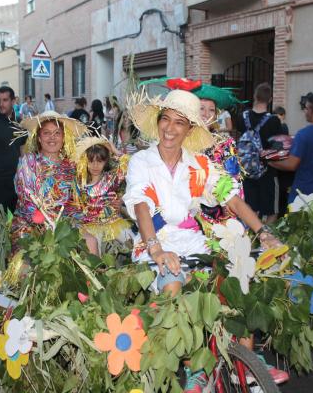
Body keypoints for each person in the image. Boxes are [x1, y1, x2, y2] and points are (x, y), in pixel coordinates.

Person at [123, 89, 287, 391]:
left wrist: (263, 232)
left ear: (190, 130)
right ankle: (194, 369)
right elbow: (140, 204)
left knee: (236, 279)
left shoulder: (199, 164)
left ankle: (248, 361)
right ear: (158, 122)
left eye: (179, 123)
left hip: (192, 241)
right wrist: (156, 249)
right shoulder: (141, 161)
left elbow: (232, 199)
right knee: (173, 286)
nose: (170, 129)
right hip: (153, 242)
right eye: (166, 120)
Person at [11, 111, 87, 245]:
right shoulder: (28, 162)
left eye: (57, 133)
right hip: (31, 226)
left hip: (65, 226)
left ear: (64, 138)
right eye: (46, 133)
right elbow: (27, 200)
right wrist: (50, 226)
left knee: (90, 241)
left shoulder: (71, 167)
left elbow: (76, 203)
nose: (52, 137)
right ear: (39, 138)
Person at [269, 93, 313, 203]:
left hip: (303, 195)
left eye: (307, 108)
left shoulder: (304, 135)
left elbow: (291, 164)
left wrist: (270, 161)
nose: (304, 111)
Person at [72, 137, 131, 256]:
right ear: (84, 162)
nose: (95, 165)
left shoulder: (110, 179)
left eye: (100, 161)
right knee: (95, 257)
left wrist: (114, 151)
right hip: (90, 227)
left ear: (106, 161)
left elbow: (129, 164)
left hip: (114, 224)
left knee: (135, 245)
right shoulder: (79, 184)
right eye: (91, 161)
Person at [237, 83, 282, 224]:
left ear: (255, 96)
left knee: (249, 208)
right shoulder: (274, 121)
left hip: (245, 171)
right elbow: (278, 148)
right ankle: (265, 240)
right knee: (271, 211)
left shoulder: (242, 117)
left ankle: (251, 240)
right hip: (267, 171)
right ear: (270, 99)